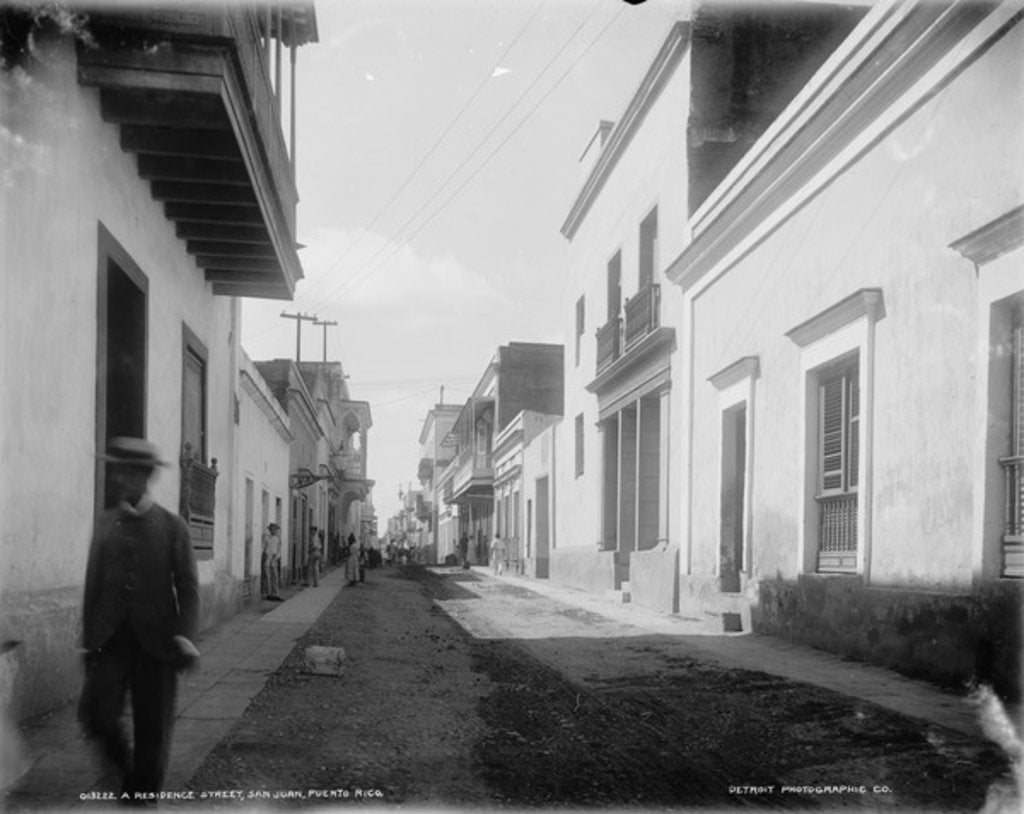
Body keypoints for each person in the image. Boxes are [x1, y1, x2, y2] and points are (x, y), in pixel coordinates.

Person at [78, 437, 200, 800]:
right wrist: (88, 641)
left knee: (153, 731)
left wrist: (184, 636)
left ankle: (142, 799)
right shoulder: (105, 524)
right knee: (96, 716)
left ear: (144, 476)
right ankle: (130, 778)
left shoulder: (172, 526)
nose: (116, 479)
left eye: (125, 472)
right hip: (110, 641)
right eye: (114, 471)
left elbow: (189, 588)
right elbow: (93, 583)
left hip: (157, 644)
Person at [262, 523, 283, 601]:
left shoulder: (277, 539)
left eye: (275, 529)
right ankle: (268, 594)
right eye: (271, 529)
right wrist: (265, 556)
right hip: (267, 557)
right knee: (267, 577)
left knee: (275, 577)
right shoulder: (266, 538)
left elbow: (279, 550)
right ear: (269, 530)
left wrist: (276, 557)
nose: (273, 531)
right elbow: (263, 547)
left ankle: (275, 594)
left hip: (274, 559)